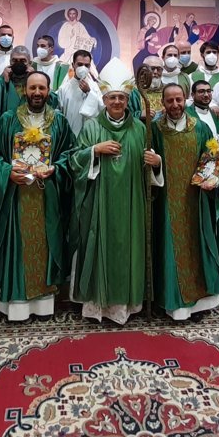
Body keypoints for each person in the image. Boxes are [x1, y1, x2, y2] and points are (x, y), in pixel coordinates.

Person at [69, 57, 163, 324]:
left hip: (132, 204)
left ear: (128, 100)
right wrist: (94, 151)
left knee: (129, 250)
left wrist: (156, 163)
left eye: (122, 97)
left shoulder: (141, 129)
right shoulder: (92, 127)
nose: (117, 102)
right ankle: (98, 305)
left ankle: (127, 305)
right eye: (112, 98)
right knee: (101, 248)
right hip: (100, 202)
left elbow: (151, 166)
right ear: (105, 100)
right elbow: (74, 161)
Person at [0, 72, 74, 321]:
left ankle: (44, 305)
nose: (37, 93)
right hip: (16, 197)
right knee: (18, 246)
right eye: (32, 88)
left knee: (46, 244)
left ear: (49, 91)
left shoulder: (59, 122)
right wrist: (7, 172)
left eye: (41, 88)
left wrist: (55, 168)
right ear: (24, 90)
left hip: (47, 196)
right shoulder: (8, 119)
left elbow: (70, 153)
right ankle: (17, 305)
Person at [151, 83, 219, 321]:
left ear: (186, 100)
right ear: (162, 102)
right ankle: (171, 303)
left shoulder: (201, 128)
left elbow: (213, 160)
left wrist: (213, 180)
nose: (175, 105)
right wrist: (156, 165)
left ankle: (199, 303)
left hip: (196, 202)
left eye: (179, 100)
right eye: (170, 101)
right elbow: (146, 165)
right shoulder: (154, 130)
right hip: (166, 203)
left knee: (197, 247)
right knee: (168, 249)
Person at [0, 46, 57, 123]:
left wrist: (34, 78)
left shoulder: (37, 80)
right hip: (7, 126)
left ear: (30, 63)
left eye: (22, 60)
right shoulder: (1, 81)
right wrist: (1, 80)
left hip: (33, 126)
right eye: (14, 60)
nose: (18, 63)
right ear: (10, 62)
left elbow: (53, 101)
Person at [56, 49, 103, 135]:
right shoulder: (64, 89)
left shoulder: (94, 87)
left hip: (89, 135)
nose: (83, 68)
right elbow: (58, 113)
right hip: (69, 134)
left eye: (86, 65)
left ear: (90, 67)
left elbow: (102, 108)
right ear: (73, 65)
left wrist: (89, 92)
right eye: (80, 64)